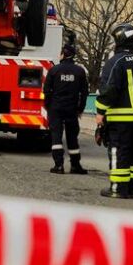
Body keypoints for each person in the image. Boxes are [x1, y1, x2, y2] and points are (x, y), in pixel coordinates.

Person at [96, 23, 133, 199]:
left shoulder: (116, 61)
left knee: (119, 151)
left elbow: (109, 89)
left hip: (120, 118)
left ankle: (117, 188)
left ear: (120, 39)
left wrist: (100, 112)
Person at [44, 43, 90, 175]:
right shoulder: (79, 71)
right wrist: (80, 109)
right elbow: (84, 92)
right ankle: (75, 166)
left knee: (56, 136)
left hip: (56, 108)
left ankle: (59, 166)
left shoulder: (54, 70)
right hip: (72, 109)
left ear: (63, 54)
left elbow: (47, 91)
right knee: (72, 137)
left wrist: (48, 106)